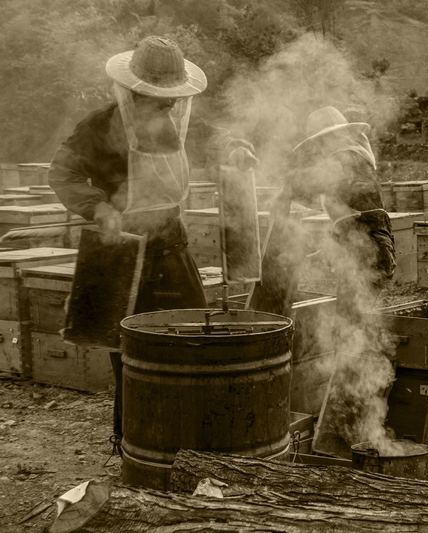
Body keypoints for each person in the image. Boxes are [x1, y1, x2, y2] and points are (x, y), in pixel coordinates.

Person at [49, 35, 256, 447]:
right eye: (158, 97)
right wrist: (99, 207)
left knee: (195, 339)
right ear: (133, 90)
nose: (169, 105)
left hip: (171, 249)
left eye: (172, 97)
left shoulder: (179, 119)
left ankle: (192, 440)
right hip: (121, 253)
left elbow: (218, 139)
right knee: (130, 354)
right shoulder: (96, 126)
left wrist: (236, 150)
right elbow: (62, 173)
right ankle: (135, 443)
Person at [249, 105, 395, 316]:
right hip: (361, 250)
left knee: (351, 321)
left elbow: (313, 180)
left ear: (333, 136)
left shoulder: (348, 158)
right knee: (350, 322)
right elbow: (342, 213)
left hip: (369, 252)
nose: (318, 148)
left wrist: (288, 187)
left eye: (320, 141)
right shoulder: (347, 160)